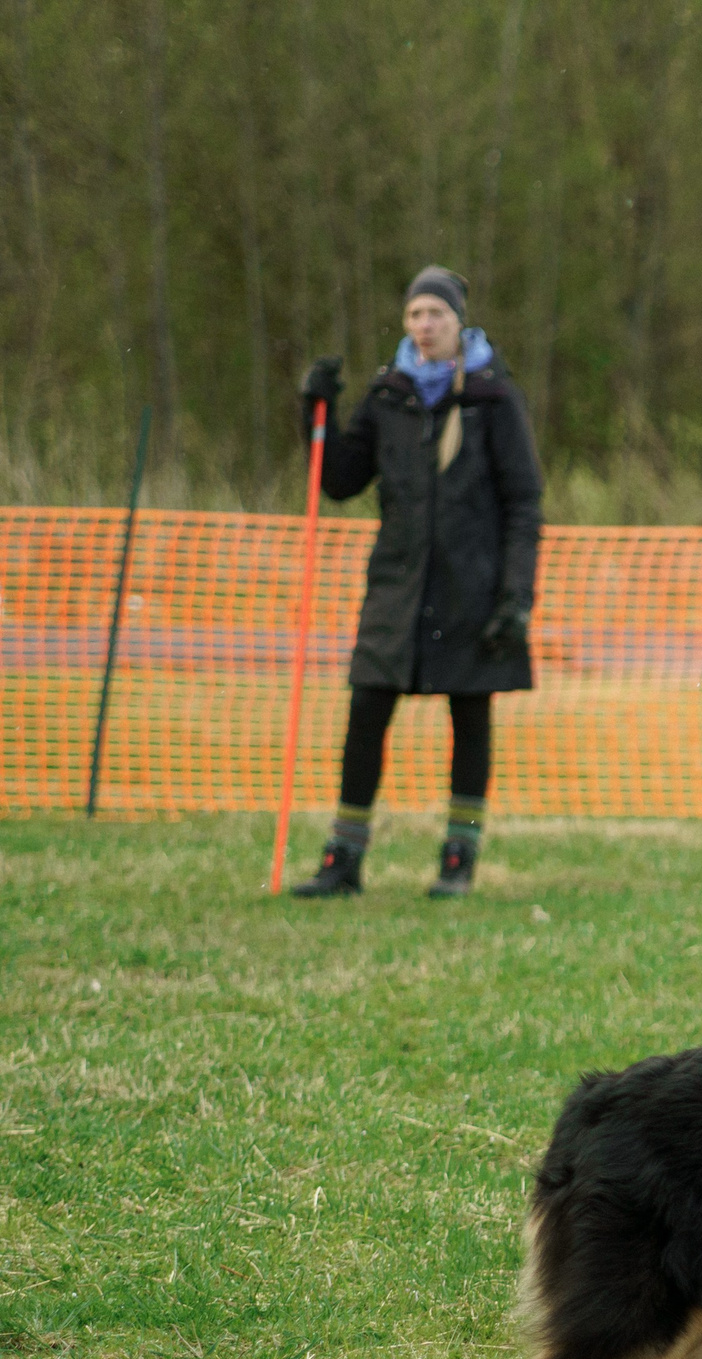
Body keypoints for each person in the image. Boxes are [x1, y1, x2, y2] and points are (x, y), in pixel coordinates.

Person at [289, 264, 543, 900]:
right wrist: (316, 411)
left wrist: (517, 597)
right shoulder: (388, 396)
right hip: (397, 588)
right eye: (414, 315)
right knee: (366, 712)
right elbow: (340, 480)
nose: (424, 325)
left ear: (459, 322)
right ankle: (343, 859)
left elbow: (524, 503)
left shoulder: (493, 397)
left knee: (470, 718)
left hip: (473, 587)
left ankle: (459, 857)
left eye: (436, 314)